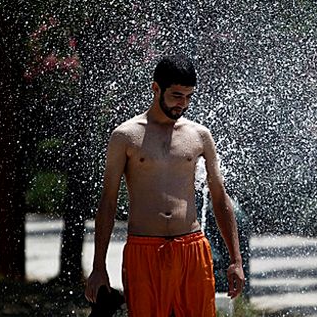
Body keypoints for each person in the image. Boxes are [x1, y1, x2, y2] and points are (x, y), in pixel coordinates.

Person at [85, 54, 245, 316]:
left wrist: (236, 260)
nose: (182, 104)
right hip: (143, 251)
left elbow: (219, 198)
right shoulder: (125, 136)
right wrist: (99, 266)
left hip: (192, 249)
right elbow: (108, 202)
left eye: (188, 97)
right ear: (156, 88)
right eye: (176, 95)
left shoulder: (199, 135)